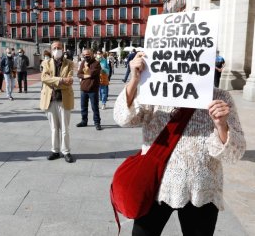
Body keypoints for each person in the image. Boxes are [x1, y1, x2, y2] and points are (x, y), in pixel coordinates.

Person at [114, 52, 246, 236]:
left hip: (201, 189)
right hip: (156, 185)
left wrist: (221, 126)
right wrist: (134, 80)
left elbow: (234, 153)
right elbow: (123, 118)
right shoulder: (153, 91)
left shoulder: (220, 97)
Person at [40, 41, 75, 163]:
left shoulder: (69, 63)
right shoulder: (45, 62)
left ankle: (66, 151)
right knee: (54, 128)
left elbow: (69, 81)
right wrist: (61, 80)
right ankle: (55, 151)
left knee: (65, 128)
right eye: (54, 48)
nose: (57, 49)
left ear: (63, 49)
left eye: (59, 47)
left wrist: (53, 82)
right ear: (51, 49)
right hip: (50, 99)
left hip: (64, 99)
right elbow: (44, 78)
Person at [76, 48, 102, 130]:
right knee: (83, 106)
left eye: (87, 55)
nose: (85, 57)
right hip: (83, 89)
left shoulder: (96, 63)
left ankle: (97, 122)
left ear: (91, 54)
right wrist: (85, 75)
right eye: (84, 55)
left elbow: (92, 73)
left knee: (95, 107)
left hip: (93, 89)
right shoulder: (83, 62)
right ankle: (84, 121)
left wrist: (86, 70)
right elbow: (79, 74)